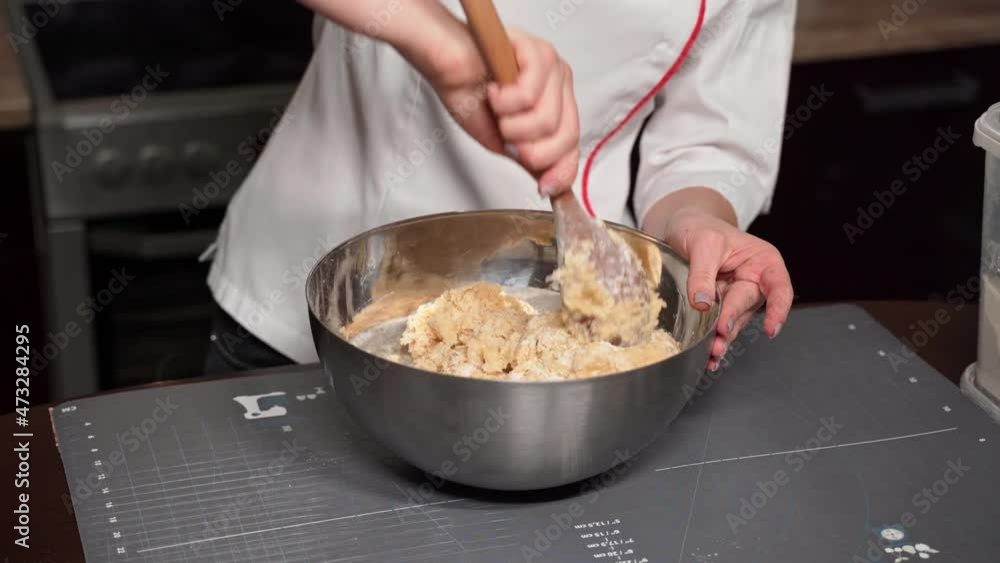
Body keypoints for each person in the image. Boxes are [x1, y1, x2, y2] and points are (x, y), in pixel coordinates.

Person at [202, 0, 796, 375]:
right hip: (304, 296)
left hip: (572, 330)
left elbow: (710, 137)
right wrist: (441, 42)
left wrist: (696, 218)